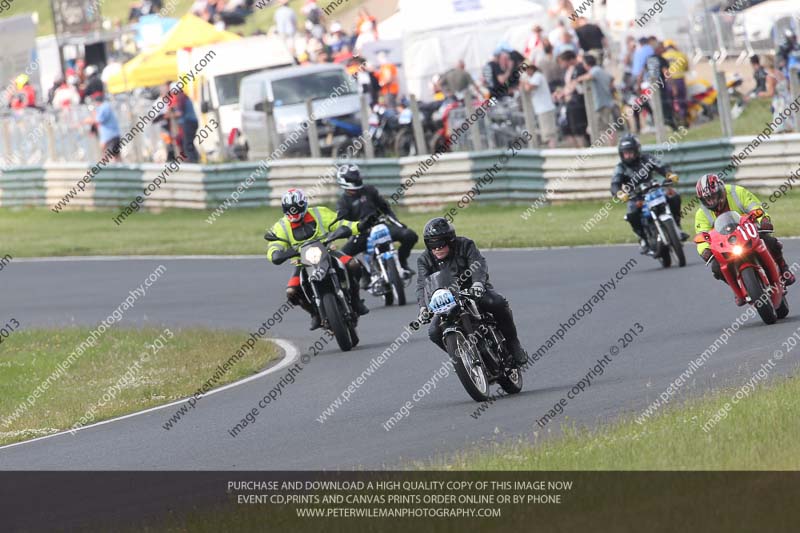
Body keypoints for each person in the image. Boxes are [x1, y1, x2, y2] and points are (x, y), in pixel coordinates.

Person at [415, 217, 528, 365]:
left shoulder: (465, 245)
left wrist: (478, 284)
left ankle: (514, 345)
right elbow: (422, 284)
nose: (436, 248)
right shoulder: (424, 259)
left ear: (450, 240)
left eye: (440, 243)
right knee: (434, 333)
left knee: (497, 302)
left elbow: (478, 264)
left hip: (473, 291)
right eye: (432, 244)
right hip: (446, 300)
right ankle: (462, 360)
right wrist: (423, 307)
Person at [267, 188, 370, 330]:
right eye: (290, 210)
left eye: (296, 209)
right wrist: (275, 253)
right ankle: (314, 313)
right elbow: (275, 244)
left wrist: (358, 226)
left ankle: (356, 299)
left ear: (303, 205)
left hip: (328, 252)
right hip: (302, 262)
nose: (293, 212)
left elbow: (340, 224)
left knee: (353, 264)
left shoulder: (320, 213)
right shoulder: (281, 226)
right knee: (291, 291)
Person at [694, 174, 795, 305]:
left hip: (748, 231)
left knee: (770, 241)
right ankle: (737, 289)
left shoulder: (737, 192)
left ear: (721, 190)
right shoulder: (701, 213)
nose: (711, 202)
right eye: (706, 199)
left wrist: (763, 220)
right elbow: (701, 235)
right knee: (716, 268)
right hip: (725, 243)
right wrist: (704, 250)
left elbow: (755, 207)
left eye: (713, 196)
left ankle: (783, 268)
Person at [335, 164, 418, 280]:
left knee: (410, 235)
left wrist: (396, 223)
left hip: (380, 226)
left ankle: (402, 261)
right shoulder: (342, 202)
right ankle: (364, 276)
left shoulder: (369, 190)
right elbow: (343, 223)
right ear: (344, 181)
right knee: (341, 258)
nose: (356, 179)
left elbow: (385, 208)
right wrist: (350, 231)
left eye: (357, 177)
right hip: (361, 233)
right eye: (352, 178)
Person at [611, 134, 687, 252]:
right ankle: (643, 238)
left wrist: (669, 174)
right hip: (636, 197)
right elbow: (615, 183)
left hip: (654, 190)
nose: (628, 155)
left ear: (637, 150)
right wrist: (620, 193)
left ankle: (677, 226)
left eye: (630, 152)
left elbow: (661, 167)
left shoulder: (647, 159)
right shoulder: (620, 168)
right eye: (625, 153)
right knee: (632, 214)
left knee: (674, 197)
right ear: (621, 154)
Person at [572, 54, 618, 145]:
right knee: (604, 127)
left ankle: (611, 146)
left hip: (602, 103)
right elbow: (611, 78)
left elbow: (589, 77)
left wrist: (577, 79)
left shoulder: (595, 70)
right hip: (605, 101)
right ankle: (609, 145)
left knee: (604, 127)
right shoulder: (600, 69)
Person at [555, 50, 589, 147]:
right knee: (569, 130)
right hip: (569, 103)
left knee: (579, 130)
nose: (561, 65)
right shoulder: (568, 71)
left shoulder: (580, 68)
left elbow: (575, 85)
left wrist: (565, 92)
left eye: (562, 61)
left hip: (578, 102)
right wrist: (561, 92)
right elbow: (567, 85)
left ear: (569, 60)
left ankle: (584, 150)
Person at [522, 63, 557, 148]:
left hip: (545, 108)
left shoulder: (537, 76)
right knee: (546, 134)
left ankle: (553, 151)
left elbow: (529, 88)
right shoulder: (532, 77)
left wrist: (524, 82)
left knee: (549, 134)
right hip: (541, 109)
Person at [165, 82, 200, 163]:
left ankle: (192, 161)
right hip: (191, 122)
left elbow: (179, 113)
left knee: (187, 143)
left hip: (189, 122)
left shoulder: (181, 97)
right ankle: (195, 159)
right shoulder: (184, 96)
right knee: (188, 142)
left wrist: (170, 115)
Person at [85, 92, 122, 162]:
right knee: (114, 154)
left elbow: (98, 120)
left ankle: (110, 167)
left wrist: (88, 121)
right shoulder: (103, 107)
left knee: (112, 153)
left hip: (111, 135)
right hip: (110, 135)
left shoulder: (104, 107)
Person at [662, 40, 689, 126]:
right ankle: (683, 119)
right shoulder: (681, 55)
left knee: (669, 102)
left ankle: (674, 121)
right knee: (681, 100)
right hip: (679, 80)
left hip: (668, 82)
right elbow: (686, 68)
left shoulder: (663, 56)